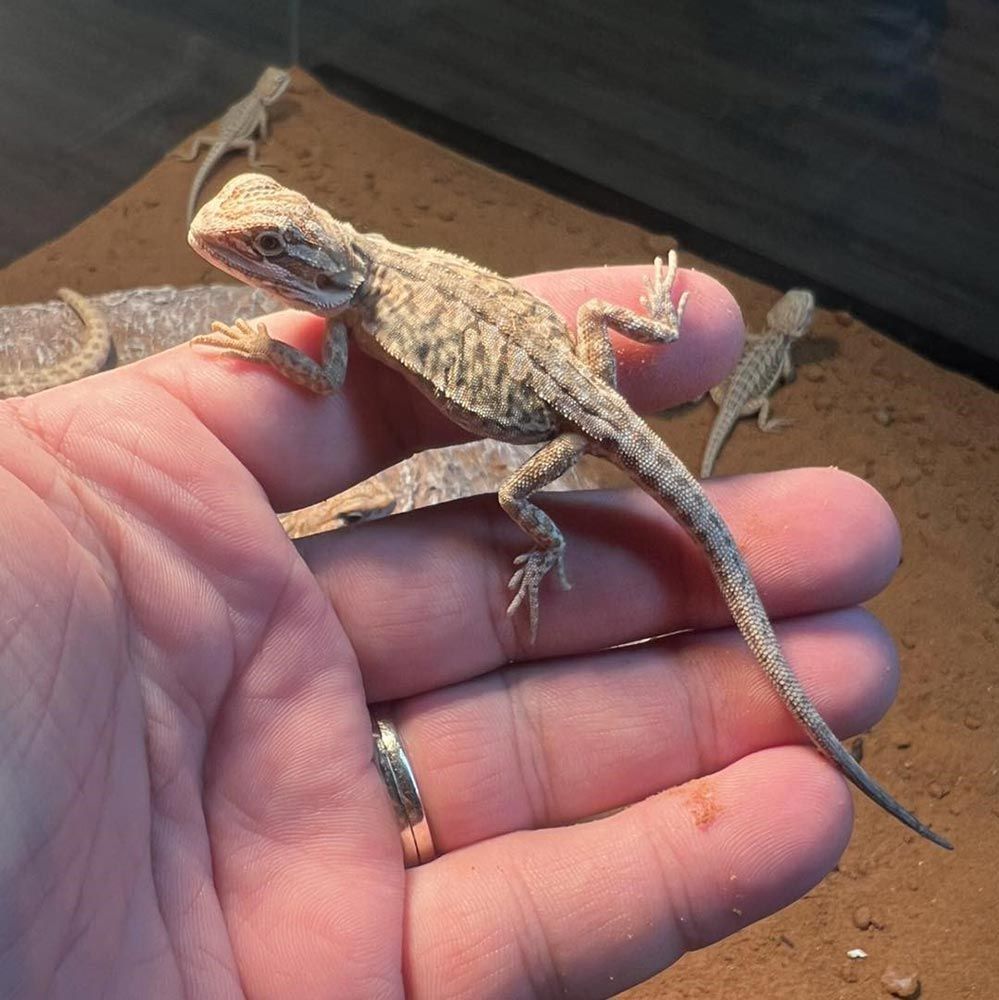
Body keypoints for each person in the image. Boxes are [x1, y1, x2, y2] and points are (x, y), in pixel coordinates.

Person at [0, 265, 901, 997]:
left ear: (309, 260)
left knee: (517, 496)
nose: (246, 262)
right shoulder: (371, 286)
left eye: (270, 251)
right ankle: (656, 338)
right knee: (594, 323)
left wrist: (539, 549)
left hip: (564, 417)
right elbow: (565, 318)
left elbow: (321, 377)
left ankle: (550, 545)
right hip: (580, 374)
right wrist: (647, 321)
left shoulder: (356, 312)